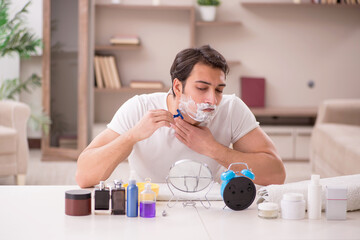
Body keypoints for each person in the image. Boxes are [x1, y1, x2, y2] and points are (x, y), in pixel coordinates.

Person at [76, 45, 286, 188]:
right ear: (177, 86)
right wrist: (132, 136)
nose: (212, 100)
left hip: (206, 205)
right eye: (202, 88)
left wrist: (213, 149)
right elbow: (84, 176)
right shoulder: (139, 107)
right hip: (148, 206)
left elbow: (276, 174)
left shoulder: (231, 108)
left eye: (219, 90)